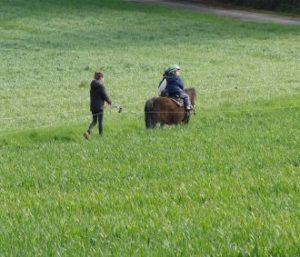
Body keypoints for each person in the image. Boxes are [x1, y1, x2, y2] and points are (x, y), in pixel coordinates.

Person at [83, 71, 111, 139]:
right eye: (103, 77)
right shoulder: (101, 86)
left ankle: (88, 131)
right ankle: (101, 135)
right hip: (99, 107)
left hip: (93, 107)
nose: (103, 79)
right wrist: (109, 101)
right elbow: (104, 95)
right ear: (100, 77)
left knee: (94, 121)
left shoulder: (92, 86)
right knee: (100, 122)